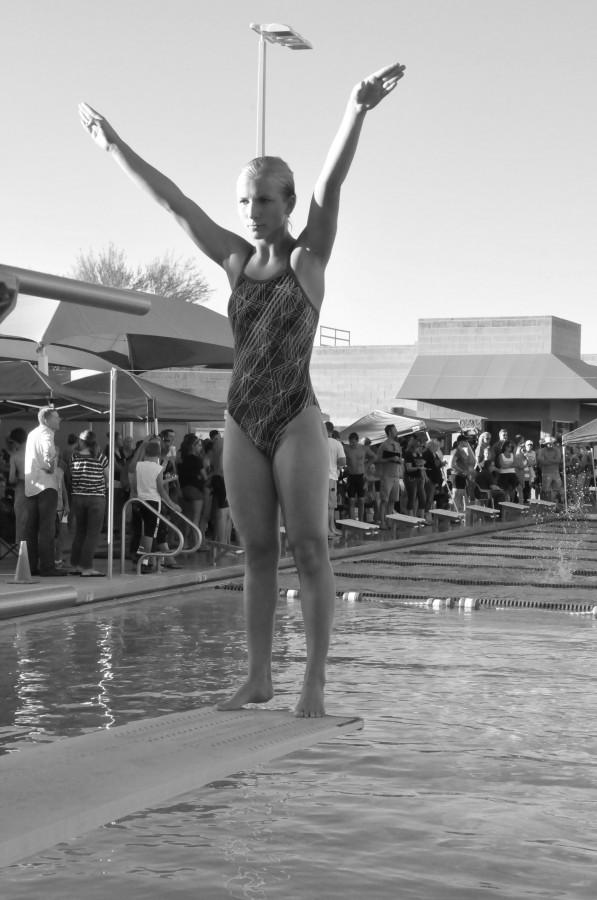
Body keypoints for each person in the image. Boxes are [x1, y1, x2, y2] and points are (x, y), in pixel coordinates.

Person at [79, 61, 405, 717]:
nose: (253, 212)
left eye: (265, 199)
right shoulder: (233, 261)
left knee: (309, 546)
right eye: (244, 201)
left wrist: (355, 108)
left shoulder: (306, 259)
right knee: (256, 552)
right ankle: (258, 677)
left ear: (286, 204)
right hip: (240, 421)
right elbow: (173, 203)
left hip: (294, 419)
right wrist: (114, 147)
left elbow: (329, 184)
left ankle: (310, 683)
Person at [23, 406, 63, 576]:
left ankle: (31, 566)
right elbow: (48, 452)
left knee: (31, 528)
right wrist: (51, 464)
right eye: (57, 416)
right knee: (47, 528)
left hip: (31, 486)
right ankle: (48, 566)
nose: (60, 419)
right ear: (47, 419)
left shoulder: (32, 433)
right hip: (47, 485)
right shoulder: (47, 433)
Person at [134, 438, 182, 572]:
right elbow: (160, 490)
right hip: (154, 503)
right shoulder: (158, 468)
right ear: (158, 453)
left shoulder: (139, 465)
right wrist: (172, 505)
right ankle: (143, 562)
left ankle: (150, 560)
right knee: (149, 534)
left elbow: (139, 484)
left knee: (153, 532)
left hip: (140, 501)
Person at [68, 430, 109, 576]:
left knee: (80, 531)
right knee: (92, 533)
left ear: (81, 441)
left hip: (78, 497)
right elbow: (108, 478)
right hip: (96, 498)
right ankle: (86, 567)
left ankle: (74, 565)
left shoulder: (74, 456)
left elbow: (72, 475)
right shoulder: (100, 457)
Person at [377, 424, 405, 528]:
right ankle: (382, 522)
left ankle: (389, 521)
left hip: (396, 476)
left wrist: (401, 473)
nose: (397, 431)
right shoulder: (384, 445)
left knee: (393, 500)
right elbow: (378, 459)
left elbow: (400, 460)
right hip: (386, 476)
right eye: (395, 430)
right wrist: (390, 459)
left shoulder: (397, 445)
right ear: (389, 432)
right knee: (384, 500)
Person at [7, 427, 27, 543]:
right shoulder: (35, 453)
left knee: (20, 520)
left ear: (15, 441)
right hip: (36, 488)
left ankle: (21, 549)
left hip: (21, 487)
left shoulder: (15, 456)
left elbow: (11, 478)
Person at [326, 421, 346, 536]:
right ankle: (329, 530)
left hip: (319, 478)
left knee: (324, 505)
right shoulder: (336, 443)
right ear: (332, 431)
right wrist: (336, 464)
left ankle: (330, 528)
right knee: (330, 506)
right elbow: (343, 461)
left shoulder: (318, 442)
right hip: (331, 477)